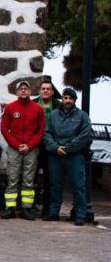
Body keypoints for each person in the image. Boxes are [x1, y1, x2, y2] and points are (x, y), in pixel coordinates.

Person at [43, 87, 91, 226]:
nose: (68, 101)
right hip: (55, 155)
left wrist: (69, 148)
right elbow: (47, 134)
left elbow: (85, 135)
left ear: (74, 100)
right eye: (65, 98)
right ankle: (54, 212)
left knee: (78, 185)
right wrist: (55, 148)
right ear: (62, 99)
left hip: (74, 155)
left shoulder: (82, 116)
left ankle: (79, 213)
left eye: (71, 98)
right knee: (55, 185)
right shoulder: (52, 116)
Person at [0, 80, 45, 220]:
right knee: (12, 179)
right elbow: (4, 129)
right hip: (15, 148)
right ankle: (10, 208)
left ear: (30, 92)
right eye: (21, 89)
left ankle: (26, 209)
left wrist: (30, 145)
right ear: (17, 92)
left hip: (31, 149)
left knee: (28, 180)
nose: (24, 91)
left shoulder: (38, 109)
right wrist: (16, 144)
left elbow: (41, 130)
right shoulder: (10, 108)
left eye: (26, 88)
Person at [35, 79, 59, 214]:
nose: (45, 91)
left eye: (48, 89)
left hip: (51, 147)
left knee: (50, 179)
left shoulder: (58, 106)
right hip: (35, 146)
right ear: (39, 91)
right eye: (43, 88)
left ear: (52, 92)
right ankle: (28, 208)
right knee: (31, 178)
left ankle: (48, 209)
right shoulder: (32, 104)